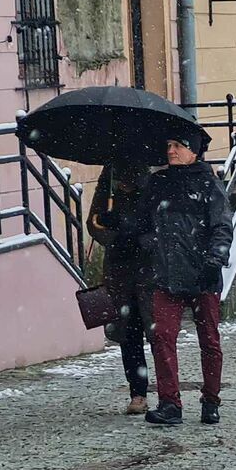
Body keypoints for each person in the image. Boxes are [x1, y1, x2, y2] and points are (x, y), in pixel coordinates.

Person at [141, 133, 234, 426]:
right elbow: (144, 222)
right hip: (167, 274)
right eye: (168, 145)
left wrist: (214, 261)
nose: (171, 151)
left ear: (194, 151)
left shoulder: (209, 184)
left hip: (203, 273)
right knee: (162, 337)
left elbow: (222, 226)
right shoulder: (158, 183)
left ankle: (211, 400)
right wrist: (144, 239)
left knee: (209, 340)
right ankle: (169, 403)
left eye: (178, 146)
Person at [87, 161, 154, 415]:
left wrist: (137, 236)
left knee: (159, 335)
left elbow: (162, 225)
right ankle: (138, 392)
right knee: (129, 334)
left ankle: (169, 394)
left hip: (149, 271)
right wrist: (114, 236)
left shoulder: (152, 180)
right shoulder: (109, 176)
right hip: (119, 272)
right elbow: (93, 222)